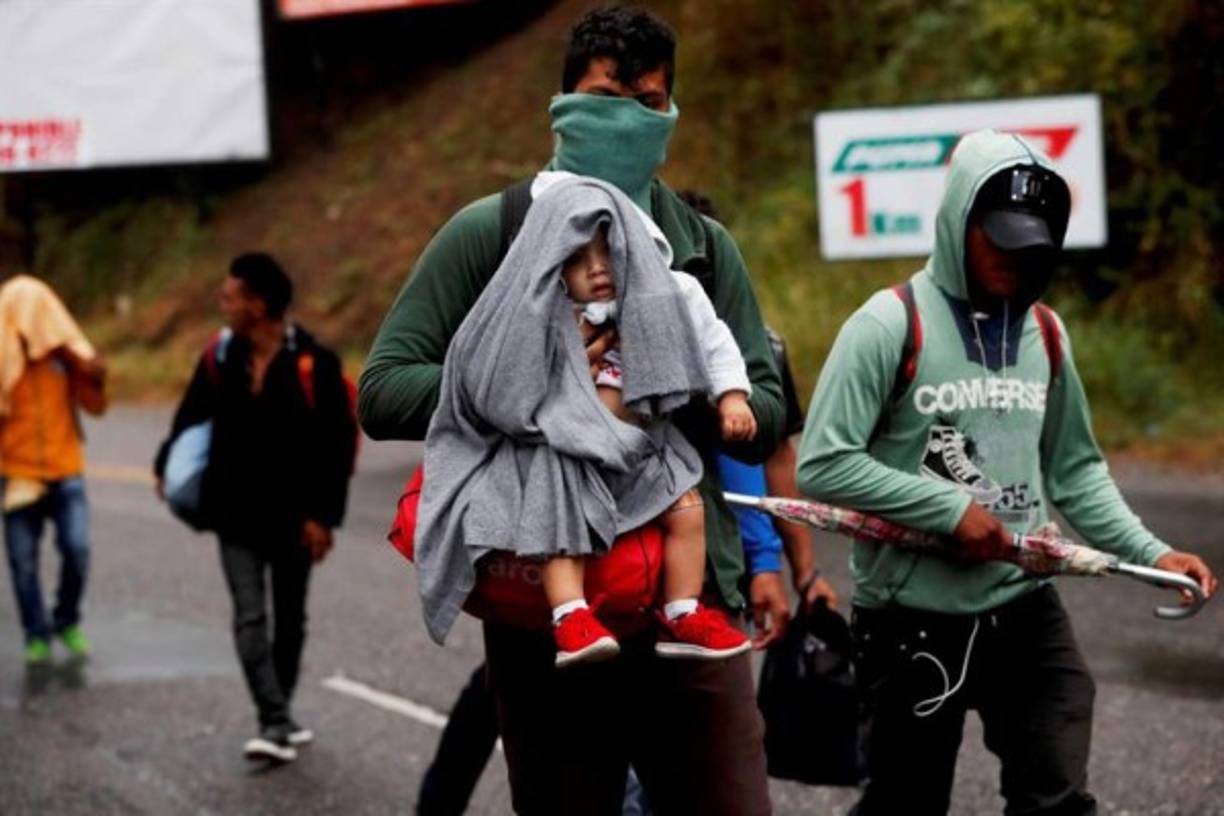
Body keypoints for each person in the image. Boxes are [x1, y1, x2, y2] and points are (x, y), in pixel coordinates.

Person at [361, 6, 784, 813]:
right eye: (604, 96)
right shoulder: (491, 235)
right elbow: (384, 391)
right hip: (547, 606)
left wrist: (673, 372)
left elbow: (762, 404)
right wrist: (534, 389)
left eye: (649, 101)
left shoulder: (699, 247)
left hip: (687, 603)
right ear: (562, 107)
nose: (627, 119)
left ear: (670, 116)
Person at [797, 129, 1218, 815]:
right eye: (997, 238)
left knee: (1055, 789)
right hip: (911, 618)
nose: (1012, 259)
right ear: (958, 220)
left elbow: (1076, 469)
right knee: (907, 800)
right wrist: (946, 509)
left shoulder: (1046, 335)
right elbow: (824, 461)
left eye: (1031, 247)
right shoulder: (888, 325)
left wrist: (1152, 552)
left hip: (1021, 603)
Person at [154, 253, 356, 764]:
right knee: (249, 617)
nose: (223, 304)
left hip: (294, 519)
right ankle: (273, 719)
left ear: (258, 304)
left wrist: (323, 519)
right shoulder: (221, 358)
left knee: (290, 622)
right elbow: (190, 414)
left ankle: (279, 714)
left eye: (231, 296)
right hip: (233, 513)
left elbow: (335, 448)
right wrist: (164, 466)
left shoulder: (315, 364)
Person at [0, 273, 107, 664]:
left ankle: (66, 619)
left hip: (65, 469)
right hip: (16, 473)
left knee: (77, 549)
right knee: (23, 562)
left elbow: (95, 407)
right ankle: (35, 633)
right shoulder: (3, 362)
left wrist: (93, 373)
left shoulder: (65, 356)